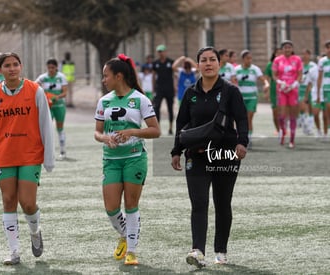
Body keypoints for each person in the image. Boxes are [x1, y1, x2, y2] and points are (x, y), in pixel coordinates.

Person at [171, 46, 248, 269]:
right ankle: (197, 251)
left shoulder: (230, 91)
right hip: (196, 156)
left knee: (222, 203)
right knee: (199, 203)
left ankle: (221, 251)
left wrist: (242, 142)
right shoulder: (190, 93)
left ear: (219, 63)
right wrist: (176, 150)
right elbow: (181, 123)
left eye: (212, 59)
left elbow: (241, 119)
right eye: (203, 60)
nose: (208, 63)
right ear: (197, 65)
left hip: (225, 155)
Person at [0, 52, 55, 265]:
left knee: (28, 203)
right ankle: (14, 252)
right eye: (7, 65)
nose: (12, 68)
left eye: (15, 64)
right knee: (8, 200)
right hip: (5, 155)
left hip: (30, 154)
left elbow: (46, 125)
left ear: (21, 66)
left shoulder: (35, 91)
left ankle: (35, 231)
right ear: (0, 69)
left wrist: (49, 158)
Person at [94, 53, 160, 265]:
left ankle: (131, 251)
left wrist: (133, 132)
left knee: (131, 204)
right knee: (111, 207)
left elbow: (155, 131)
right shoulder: (103, 101)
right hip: (111, 160)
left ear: (119, 76)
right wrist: (105, 138)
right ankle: (125, 233)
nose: (104, 80)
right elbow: (97, 132)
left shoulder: (140, 99)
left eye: (106, 76)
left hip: (134, 158)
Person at [235, 50, 269, 147]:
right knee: (241, 118)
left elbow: (263, 79)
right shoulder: (237, 69)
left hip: (252, 97)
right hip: (241, 98)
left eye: (251, 58)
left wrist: (266, 85)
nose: (250, 60)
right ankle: (240, 137)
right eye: (247, 58)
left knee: (249, 117)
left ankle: (248, 138)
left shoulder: (255, 69)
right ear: (243, 59)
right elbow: (232, 80)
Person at [36, 59, 68, 160]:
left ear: (56, 67)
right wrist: (45, 96)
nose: (51, 70)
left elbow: (64, 93)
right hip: (47, 107)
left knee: (60, 127)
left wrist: (55, 97)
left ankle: (62, 150)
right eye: (49, 68)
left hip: (59, 106)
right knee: (46, 128)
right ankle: (46, 152)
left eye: (53, 68)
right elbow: (34, 86)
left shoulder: (61, 77)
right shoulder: (43, 77)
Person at [273, 40, 303, 148]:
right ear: (282, 49)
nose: (287, 49)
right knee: (282, 114)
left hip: (293, 90)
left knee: (293, 115)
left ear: (292, 49)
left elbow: (300, 74)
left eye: (289, 47)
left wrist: (295, 83)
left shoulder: (297, 59)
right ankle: (283, 131)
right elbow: (274, 75)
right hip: (282, 90)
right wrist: (280, 82)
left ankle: (292, 140)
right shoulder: (277, 60)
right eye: (285, 47)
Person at [152, 44, 175, 135]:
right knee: (156, 108)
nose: (160, 53)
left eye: (162, 51)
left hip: (169, 88)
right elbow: (153, 76)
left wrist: (175, 86)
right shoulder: (155, 63)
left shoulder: (170, 62)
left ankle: (170, 127)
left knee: (170, 108)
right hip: (159, 89)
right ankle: (158, 127)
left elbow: (174, 75)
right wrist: (153, 88)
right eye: (159, 52)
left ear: (165, 52)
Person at [264, 48, 283, 135]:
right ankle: (278, 130)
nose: (279, 55)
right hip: (274, 91)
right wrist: (267, 91)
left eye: (281, 53)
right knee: (275, 113)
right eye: (277, 53)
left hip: (284, 91)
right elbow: (266, 78)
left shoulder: (286, 64)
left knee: (283, 112)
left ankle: (283, 129)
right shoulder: (270, 65)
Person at [298, 49, 316, 135]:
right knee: (302, 107)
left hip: (311, 88)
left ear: (309, 55)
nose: (304, 56)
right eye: (303, 54)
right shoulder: (300, 65)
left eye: (305, 54)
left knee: (311, 108)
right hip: (301, 89)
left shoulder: (313, 66)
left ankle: (310, 126)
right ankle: (304, 123)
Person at [317, 40, 330, 140]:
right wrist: (318, 93)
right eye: (328, 48)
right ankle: (325, 133)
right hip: (326, 90)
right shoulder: (322, 61)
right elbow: (319, 78)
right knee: (325, 113)